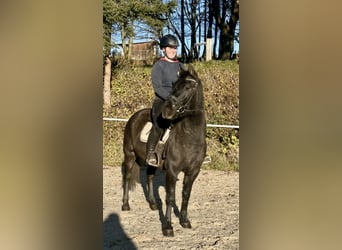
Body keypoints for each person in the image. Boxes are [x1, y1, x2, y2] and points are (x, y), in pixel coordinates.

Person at [145, 34, 184, 167]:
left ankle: (199, 152)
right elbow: (158, 87)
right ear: (163, 49)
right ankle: (151, 154)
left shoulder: (181, 66)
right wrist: (171, 98)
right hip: (162, 100)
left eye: (175, 48)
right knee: (159, 124)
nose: (173, 50)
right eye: (170, 48)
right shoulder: (159, 65)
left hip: (179, 101)